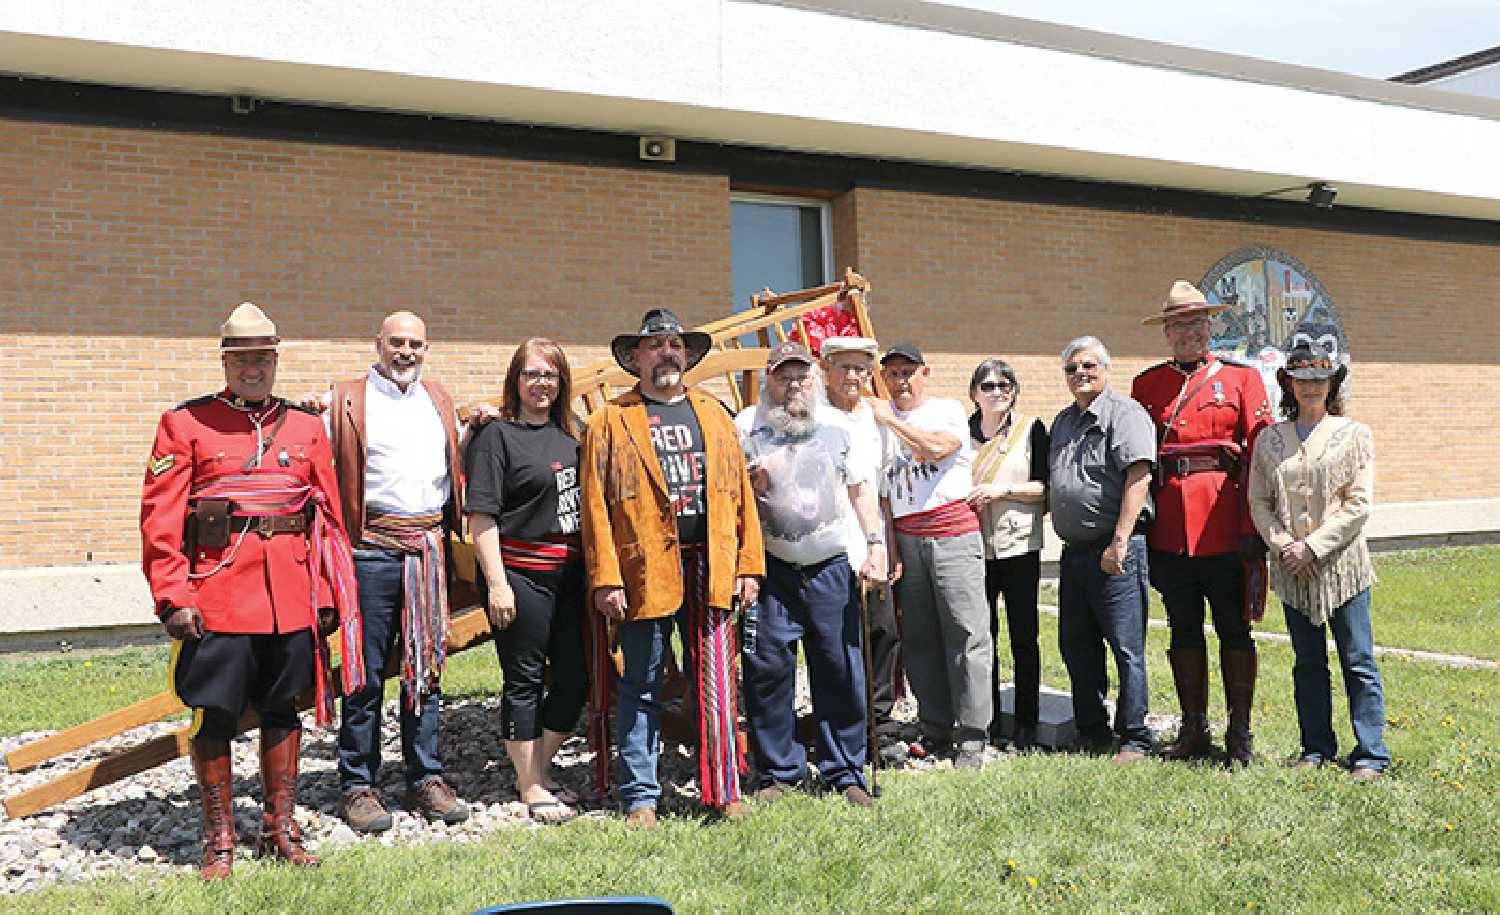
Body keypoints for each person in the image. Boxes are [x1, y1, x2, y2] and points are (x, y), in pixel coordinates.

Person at [141, 303, 363, 878]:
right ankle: (218, 838)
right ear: (225, 361)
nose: (251, 369)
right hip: (216, 592)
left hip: (289, 593)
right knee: (214, 715)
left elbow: (327, 519)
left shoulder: (306, 427)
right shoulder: (185, 423)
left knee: (282, 711)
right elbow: (161, 520)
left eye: (261, 358)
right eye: (241, 359)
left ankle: (279, 830)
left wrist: (327, 593)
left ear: (274, 360)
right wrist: (173, 594)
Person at [579, 308, 764, 826]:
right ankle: (641, 796)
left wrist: (749, 565)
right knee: (642, 681)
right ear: (635, 358)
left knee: (717, 680)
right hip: (644, 571)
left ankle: (723, 788)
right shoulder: (611, 420)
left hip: (711, 562)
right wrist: (606, 577)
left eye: (675, 344)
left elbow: (742, 495)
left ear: (686, 354)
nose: (667, 352)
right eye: (655, 345)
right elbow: (595, 507)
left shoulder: (715, 415)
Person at [326, 311, 470, 832]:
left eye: (415, 343)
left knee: (424, 670)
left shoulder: (439, 398)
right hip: (372, 552)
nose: (406, 352)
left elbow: (460, 454)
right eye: (397, 342)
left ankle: (425, 777)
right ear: (378, 344)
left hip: (429, 551)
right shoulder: (345, 398)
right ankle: (358, 784)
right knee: (363, 677)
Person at [736, 342, 888, 807]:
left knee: (840, 667)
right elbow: (732, 495)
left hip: (829, 568)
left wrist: (876, 545)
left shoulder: (841, 427)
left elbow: (862, 491)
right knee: (767, 670)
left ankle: (844, 770)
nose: (794, 386)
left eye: (801, 376)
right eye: (784, 377)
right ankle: (777, 774)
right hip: (770, 571)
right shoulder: (747, 425)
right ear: (769, 381)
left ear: (816, 380)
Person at [1132, 281, 1273, 766]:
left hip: (1225, 520)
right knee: (1183, 628)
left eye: (1196, 323)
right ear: (1167, 332)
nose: (1188, 332)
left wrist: (1256, 527)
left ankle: (1240, 733)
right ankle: (1194, 728)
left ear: (1210, 327)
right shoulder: (1146, 386)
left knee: (1234, 628)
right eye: (1178, 325)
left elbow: (1260, 453)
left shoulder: (1242, 380)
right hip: (1171, 525)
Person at [1248, 341, 1388, 780]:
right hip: (1293, 571)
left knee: (1358, 659)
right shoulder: (1270, 439)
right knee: (1307, 661)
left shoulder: (1354, 434)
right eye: (1302, 379)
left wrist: (1314, 547)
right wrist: (1286, 546)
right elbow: (1259, 500)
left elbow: (1358, 504)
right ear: (1289, 383)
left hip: (1342, 568)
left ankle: (1370, 753)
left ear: (1332, 384)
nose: (1311, 387)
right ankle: (1315, 746)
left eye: (1319, 379)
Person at [466, 338, 589, 822]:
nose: (542, 383)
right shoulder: (496, 436)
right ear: (515, 380)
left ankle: (539, 764)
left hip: (570, 577)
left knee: (575, 679)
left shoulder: (574, 435)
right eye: (532, 374)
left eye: (551, 375)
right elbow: (481, 515)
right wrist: (497, 584)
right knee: (525, 678)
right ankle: (530, 784)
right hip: (520, 573)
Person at [873, 344, 993, 770]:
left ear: (926, 373)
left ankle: (973, 736)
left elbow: (940, 449)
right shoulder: (876, 419)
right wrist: (889, 547)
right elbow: (883, 494)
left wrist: (890, 420)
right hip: (907, 538)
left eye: (908, 372)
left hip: (953, 533)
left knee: (966, 634)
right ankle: (936, 725)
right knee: (920, 638)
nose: (901, 380)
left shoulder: (945, 410)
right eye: (892, 374)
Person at [1047, 336, 1156, 763]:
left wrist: (1120, 543)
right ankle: (1091, 730)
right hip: (1075, 552)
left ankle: (1134, 736)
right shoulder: (1063, 422)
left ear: (1105, 368)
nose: (1080, 374)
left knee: (1125, 646)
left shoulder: (1124, 414)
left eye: (1088, 365)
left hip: (1116, 550)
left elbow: (1139, 477)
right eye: (1072, 368)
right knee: (1077, 646)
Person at [819, 336, 904, 761]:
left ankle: (880, 729)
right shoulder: (814, 417)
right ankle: (842, 729)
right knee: (839, 642)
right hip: (830, 548)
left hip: (872, 546)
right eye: (843, 367)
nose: (852, 376)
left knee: (882, 633)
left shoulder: (875, 419)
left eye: (860, 368)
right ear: (826, 370)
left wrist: (888, 547)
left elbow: (883, 490)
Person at [965, 358, 1048, 751]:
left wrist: (1001, 491)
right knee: (982, 638)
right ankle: (989, 719)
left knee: (1023, 636)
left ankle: (1027, 723)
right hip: (973, 548)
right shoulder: (961, 433)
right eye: (988, 385)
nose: (997, 392)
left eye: (1005, 385)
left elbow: (1046, 486)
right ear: (974, 393)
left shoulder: (1031, 429)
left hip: (1019, 545)